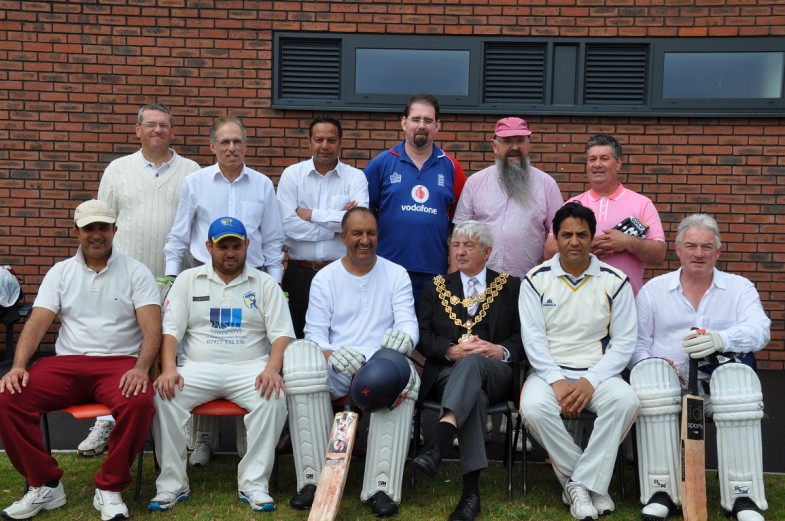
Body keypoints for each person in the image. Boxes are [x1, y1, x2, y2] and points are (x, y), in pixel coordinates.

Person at [0, 199, 161, 521]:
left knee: (139, 402)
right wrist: (18, 366)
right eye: (89, 228)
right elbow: (36, 323)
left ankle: (110, 487)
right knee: (9, 396)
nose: (96, 234)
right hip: (67, 363)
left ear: (115, 230)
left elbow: (153, 326)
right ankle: (45, 484)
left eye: (103, 227)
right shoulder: (61, 272)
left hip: (119, 363)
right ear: (76, 232)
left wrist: (142, 368)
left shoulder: (136, 271)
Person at [78, 103, 199, 460]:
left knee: (178, 346)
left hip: (178, 275)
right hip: (126, 276)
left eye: (164, 125)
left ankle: (183, 422)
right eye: (150, 124)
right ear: (138, 130)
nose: (157, 130)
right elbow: (101, 221)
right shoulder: (117, 170)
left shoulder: (192, 171)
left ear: (172, 131)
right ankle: (106, 419)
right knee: (120, 345)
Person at [629, 214, 770, 521]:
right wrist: (653, 364)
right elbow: (636, 344)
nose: (699, 253)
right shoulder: (654, 291)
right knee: (655, 383)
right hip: (669, 385)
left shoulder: (739, 288)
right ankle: (661, 490)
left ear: (718, 251)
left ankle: (742, 495)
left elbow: (761, 330)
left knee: (736, 388)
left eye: (707, 246)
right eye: (691, 246)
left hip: (716, 387)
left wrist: (722, 339)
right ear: (678, 250)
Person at [149, 217, 294, 513]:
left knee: (274, 397)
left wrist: (272, 368)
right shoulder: (188, 281)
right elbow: (171, 332)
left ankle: (254, 484)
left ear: (247, 246)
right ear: (209, 247)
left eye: (236, 246)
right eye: (223, 246)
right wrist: (168, 369)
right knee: (163, 397)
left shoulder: (265, 283)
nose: (230, 252)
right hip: (197, 368)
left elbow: (281, 335)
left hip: (250, 369)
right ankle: (171, 485)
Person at [282, 207, 420, 516]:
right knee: (302, 367)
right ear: (343, 237)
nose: (364, 240)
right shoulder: (326, 277)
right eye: (357, 233)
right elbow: (314, 332)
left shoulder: (396, 273)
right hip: (338, 365)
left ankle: (381, 486)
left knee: (406, 379)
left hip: (381, 362)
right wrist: (332, 355)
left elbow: (408, 323)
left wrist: (405, 340)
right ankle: (312, 481)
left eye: (370, 233)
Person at [164, 115, 285, 465]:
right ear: (213, 146)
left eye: (238, 142)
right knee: (201, 351)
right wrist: (173, 281)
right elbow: (179, 236)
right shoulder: (195, 183)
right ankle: (203, 441)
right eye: (225, 142)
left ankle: (249, 444)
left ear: (246, 145)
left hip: (254, 279)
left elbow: (274, 240)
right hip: (203, 277)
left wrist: (273, 284)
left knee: (250, 357)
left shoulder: (262, 185)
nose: (232, 148)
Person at [519, 201, 639, 521]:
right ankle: (589, 483)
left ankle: (576, 483)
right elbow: (533, 340)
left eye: (582, 235)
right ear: (555, 238)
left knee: (625, 400)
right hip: (549, 374)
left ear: (592, 237)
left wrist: (592, 380)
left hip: (598, 373)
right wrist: (556, 380)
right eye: (567, 235)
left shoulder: (616, 280)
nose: (575, 241)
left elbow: (625, 341)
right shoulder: (534, 280)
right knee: (532, 408)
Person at [412, 221, 524, 521]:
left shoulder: (510, 286)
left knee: (474, 363)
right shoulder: (436, 287)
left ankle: (438, 442)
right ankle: (470, 494)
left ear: (487, 252)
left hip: (496, 372)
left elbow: (522, 337)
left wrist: (498, 350)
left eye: (469, 246)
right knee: (472, 391)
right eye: (456, 245)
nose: (460, 251)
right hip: (448, 373)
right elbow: (422, 334)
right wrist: (449, 350)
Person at [364, 93, 466, 301]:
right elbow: (365, 216)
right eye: (416, 119)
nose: (422, 125)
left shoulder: (451, 167)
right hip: (387, 271)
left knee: (428, 333)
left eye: (428, 120)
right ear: (404, 122)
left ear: (437, 126)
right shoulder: (381, 164)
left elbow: (459, 223)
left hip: (435, 274)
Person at [276, 115, 369, 337]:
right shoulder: (292, 175)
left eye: (331, 140)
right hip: (300, 274)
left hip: (342, 273)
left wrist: (311, 214)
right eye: (319, 140)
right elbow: (287, 226)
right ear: (309, 142)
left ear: (340, 143)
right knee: (296, 339)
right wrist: (337, 226)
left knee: (342, 337)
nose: (325, 146)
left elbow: (359, 224)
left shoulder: (356, 177)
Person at [545, 134, 665, 295]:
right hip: (578, 302)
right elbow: (549, 251)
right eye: (592, 159)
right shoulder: (572, 205)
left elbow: (659, 255)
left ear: (618, 164)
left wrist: (628, 242)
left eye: (604, 158)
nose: (597, 164)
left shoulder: (642, 204)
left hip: (626, 303)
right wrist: (587, 244)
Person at [454, 117, 563, 279]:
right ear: (494, 146)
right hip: (480, 283)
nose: (514, 147)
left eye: (520, 141)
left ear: (529, 144)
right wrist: (455, 279)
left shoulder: (547, 185)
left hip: (528, 284)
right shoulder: (475, 183)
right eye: (507, 141)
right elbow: (459, 235)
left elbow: (561, 234)